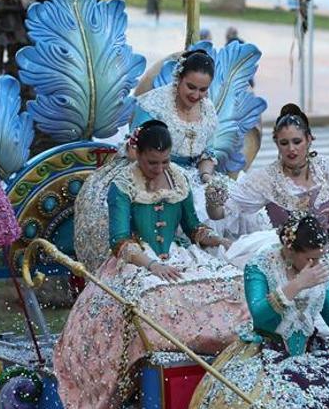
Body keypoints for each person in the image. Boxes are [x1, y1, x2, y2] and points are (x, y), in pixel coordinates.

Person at [53, 120, 247, 409]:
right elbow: (119, 241)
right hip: (135, 259)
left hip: (178, 254)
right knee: (148, 294)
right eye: (152, 162)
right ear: (138, 154)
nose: (159, 168)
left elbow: (193, 228)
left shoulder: (178, 179)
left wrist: (217, 240)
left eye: (165, 161)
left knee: (234, 281)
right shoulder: (122, 185)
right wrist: (152, 265)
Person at [207, 103, 329, 327]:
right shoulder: (265, 178)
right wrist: (213, 200)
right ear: (277, 144)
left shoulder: (326, 167)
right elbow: (221, 213)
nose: (292, 149)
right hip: (293, 259)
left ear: (309, 139)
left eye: (297, 141)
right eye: (284, 143)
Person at [189, 212, 329, 408]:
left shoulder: (318, 270)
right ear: (290, 249)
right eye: (310, 258)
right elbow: (259, 317)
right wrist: (296, 285)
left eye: (320, 258)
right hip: (265, 354)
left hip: (308, 354)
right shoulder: (260, 266)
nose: (316, 264)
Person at [74, 49, 236, 272]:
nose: (196, 95)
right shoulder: (153, 104)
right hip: (148, 168)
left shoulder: (207, 110)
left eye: (203, 89)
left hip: (192, 173)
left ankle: (218, 267)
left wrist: (206, 176)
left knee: (228, 202)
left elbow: (208, 153)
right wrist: (162, 169)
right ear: (179, 78)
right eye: (191, 87)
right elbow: (137, 150)